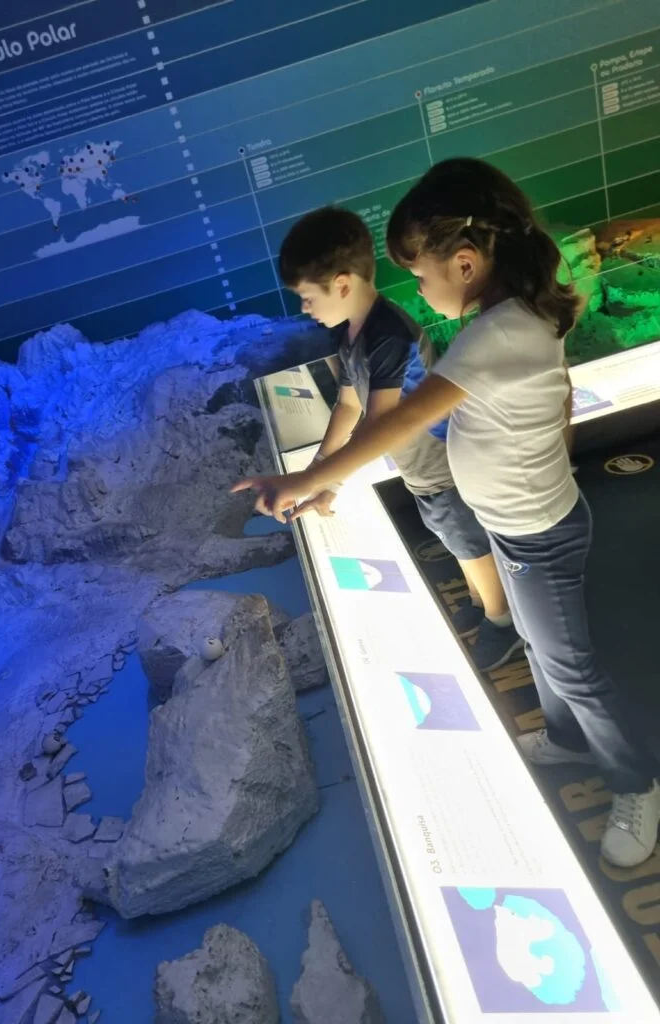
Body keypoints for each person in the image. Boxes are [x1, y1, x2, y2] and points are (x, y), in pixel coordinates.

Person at [234, 158, 660, 868]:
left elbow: (395, 425)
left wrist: (303, 482)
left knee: (572, 666)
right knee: (539, 643)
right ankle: (566, 739)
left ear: (464, 263)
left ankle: (636, 782)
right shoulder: (512, 314)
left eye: (421, 276)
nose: (420, 291)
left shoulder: (493, 337)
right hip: (519, 524)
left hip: (537, 532)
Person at [277, 206, 519, 672]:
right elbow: (349, 406)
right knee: (453, 535)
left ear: (341, 285)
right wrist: (320, 473)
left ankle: (501, 620)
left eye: (307, 297)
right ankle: (480, 601)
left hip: (444, 461)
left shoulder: (387, 334)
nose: (305, 309)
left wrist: (326, 481)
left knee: (466, 538)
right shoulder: (351, 336)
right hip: (421, 468)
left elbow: (377, 423)